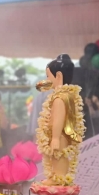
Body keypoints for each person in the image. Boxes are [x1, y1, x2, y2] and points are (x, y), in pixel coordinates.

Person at [35, 54, 85, 186]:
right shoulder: (68, 95)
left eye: (48, 76)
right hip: (63, 134)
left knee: (58, 155)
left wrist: (55, 137)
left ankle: (58, 177)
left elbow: (58, 119)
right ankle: (58, 176)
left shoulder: (59, 98)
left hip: (60, 135)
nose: (46, 80)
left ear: (58, 76)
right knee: (58, 156)